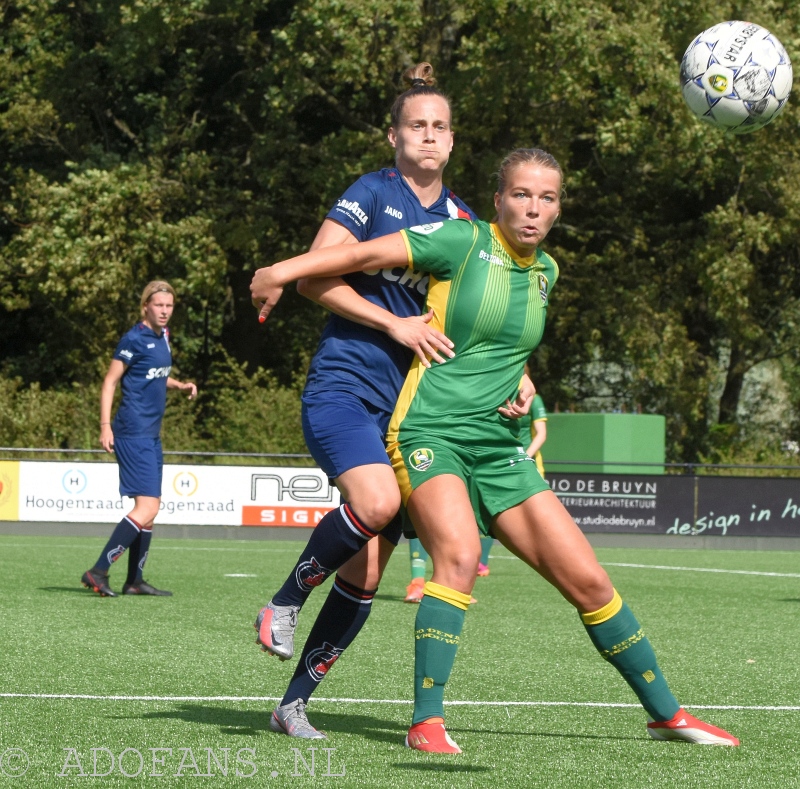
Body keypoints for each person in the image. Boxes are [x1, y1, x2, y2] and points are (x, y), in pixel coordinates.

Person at [250, 147, 739, 752]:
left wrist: (521, 384)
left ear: (559, 208)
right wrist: (281, 270)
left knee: (588, 579)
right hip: (429, 435)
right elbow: (354, 255)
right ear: (499, 198)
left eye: (548, 198)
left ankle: (670, 715)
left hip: (499, 444)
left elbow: (505, 348)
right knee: (454, 556)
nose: (533, 208)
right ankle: (426, 724)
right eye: (521, 195)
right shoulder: (458, 239)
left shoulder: (548, 273)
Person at [250, 64, 520, 740]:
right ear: (395, 135)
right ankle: (282, 599)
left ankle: (292, 705)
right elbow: (315, 279)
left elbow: (481, 318)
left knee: (367, 569)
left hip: (409, 412)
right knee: (374, 505)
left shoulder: (463, 220)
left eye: (439, 127)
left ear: (453, 141)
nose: (427, 136)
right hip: (346, 385)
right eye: (416, 125)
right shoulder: (372, 193)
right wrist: (391, 323)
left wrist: (518, 381)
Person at [81, 280, 197, 598]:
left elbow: (154, 373)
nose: (164, 311)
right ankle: (98, 571)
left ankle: (134, 580)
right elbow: (110, 382)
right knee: (147, 507)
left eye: (169, 306)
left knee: (150, 508)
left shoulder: (163, 337)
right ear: (146, 305)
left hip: (151, 434)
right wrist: (105, 426)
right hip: (132, 431)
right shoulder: (133, 338)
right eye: (159, 305)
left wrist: (180, 385)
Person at [474, 369, 548, 579]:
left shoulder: (535, 398)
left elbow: (541, 434)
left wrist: (525, 456)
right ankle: (481, 563)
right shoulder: (494, 391)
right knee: (489, 512)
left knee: (537, 517)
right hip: (497, 461)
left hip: (527, 463)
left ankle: (546, 557)